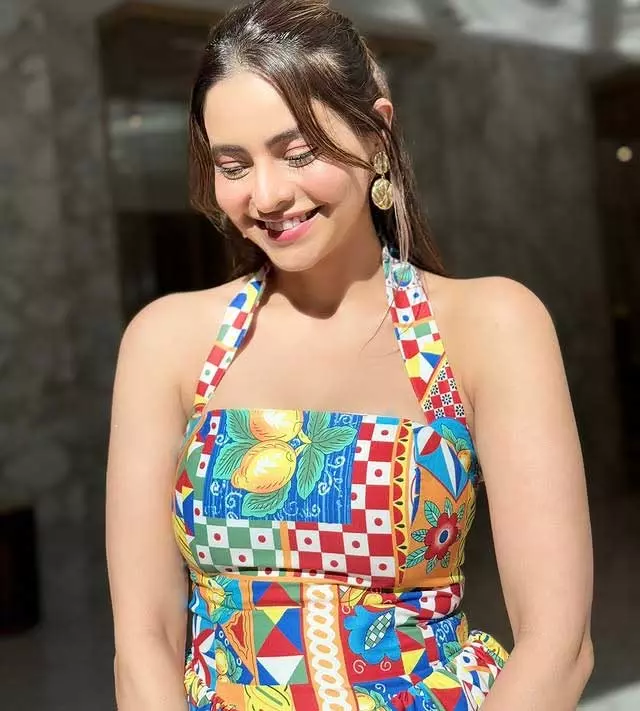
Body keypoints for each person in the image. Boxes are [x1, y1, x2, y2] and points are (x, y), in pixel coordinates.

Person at [106, 0, 594, 709]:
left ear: (377, 134)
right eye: (234, 164)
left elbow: (559, 644)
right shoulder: (167, 342)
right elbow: (143, 640)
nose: (267, 194)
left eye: (299, 152)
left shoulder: (490, 326)